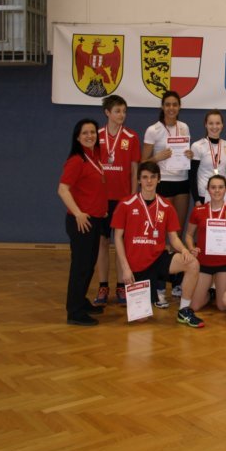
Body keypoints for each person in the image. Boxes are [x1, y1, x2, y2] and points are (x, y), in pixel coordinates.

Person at [112, 162, 205, 328]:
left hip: (157, 259)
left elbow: (173, 238)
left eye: (153, 177)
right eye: (145, 177)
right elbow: (117, 238)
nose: (149, 181)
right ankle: (150, 294)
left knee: (193, 263)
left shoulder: (166, 206)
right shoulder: (125, 204)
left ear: (159, 179)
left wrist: (184, 250)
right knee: (141, 319)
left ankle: (184, 310)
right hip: (136, 267)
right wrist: (125, 268)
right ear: (139, 180)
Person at [142, 90, 193, 304]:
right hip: (163, 184)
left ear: (179, 107)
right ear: (162, 107)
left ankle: (177, 282)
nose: (171, 108)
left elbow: (186, 155)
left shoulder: (184, 128)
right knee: (163, 237)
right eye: (168, 104)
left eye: (175, 104)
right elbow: (143, 162)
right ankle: (160, 286)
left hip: (182, 182)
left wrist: (190, 155)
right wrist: (157, 157)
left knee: (177, 234)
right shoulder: (153, 130)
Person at [58, 119, 109, 326]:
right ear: (77, 137)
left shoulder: (94, 156)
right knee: (80, 267)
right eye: (85, 133)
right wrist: (78, 213)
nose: (90, 136)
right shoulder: (76, 160)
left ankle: (80, 301)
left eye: (93, 132)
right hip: (82, 222)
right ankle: (74, 311)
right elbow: (62, 189)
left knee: (88, 265)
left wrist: (101, 208)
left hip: (94, 220)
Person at [93, 95, 140, 307]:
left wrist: (132, 198)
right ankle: (103, 286)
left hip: (123, 201)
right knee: (103, 242)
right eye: (117, 111)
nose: (122, 115)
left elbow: (134, 170)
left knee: (122, 243)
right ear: (107, 113)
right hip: (102, 200)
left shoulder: (131, 136)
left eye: (124, 111)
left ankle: (122, 285)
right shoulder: (96, 136)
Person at [185, 174, 226, 313]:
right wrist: (191, 248)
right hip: (203, 263)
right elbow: (188, 235)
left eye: (220, 187)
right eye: (213, 187)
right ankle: (210, 293)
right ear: (207, 190)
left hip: (225, 263)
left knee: (222, 306)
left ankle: (221, 292)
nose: (217, 191)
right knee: (194, 306)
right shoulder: (198, 211)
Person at [190, 109, 226, 205]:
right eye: (211, 123)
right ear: (205, 125)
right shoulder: (197, 146)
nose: (214, 127)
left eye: (218, 123)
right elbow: (192, 175)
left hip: (225, 194)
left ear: (222, 125)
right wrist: (196, 199)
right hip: (204, 194)